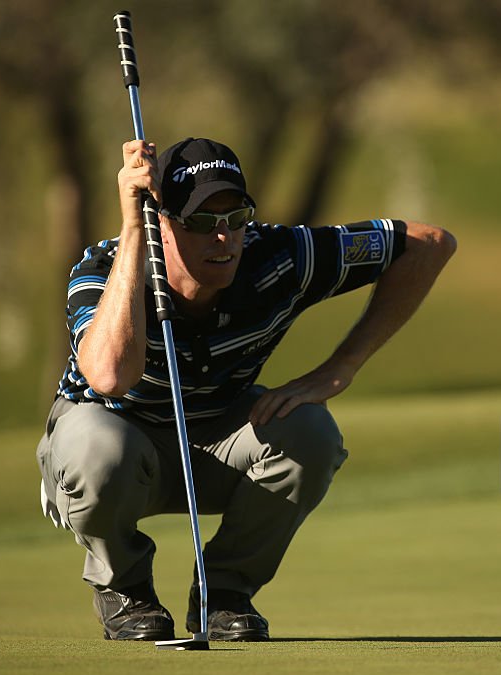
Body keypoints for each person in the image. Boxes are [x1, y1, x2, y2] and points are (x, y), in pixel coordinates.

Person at [35, 137, 456, 641]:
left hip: (218, 441)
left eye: (236, 218)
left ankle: (225, 596)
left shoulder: (278, 257)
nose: (224, 239)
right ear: (161, 222)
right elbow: (108, 377)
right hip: (113, 452)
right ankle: (125, 590)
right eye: (202, 222)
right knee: (97, 448)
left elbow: (429, 244)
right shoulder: (103, 269)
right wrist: (132, 230)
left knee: (311, 433)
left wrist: (343, 366)